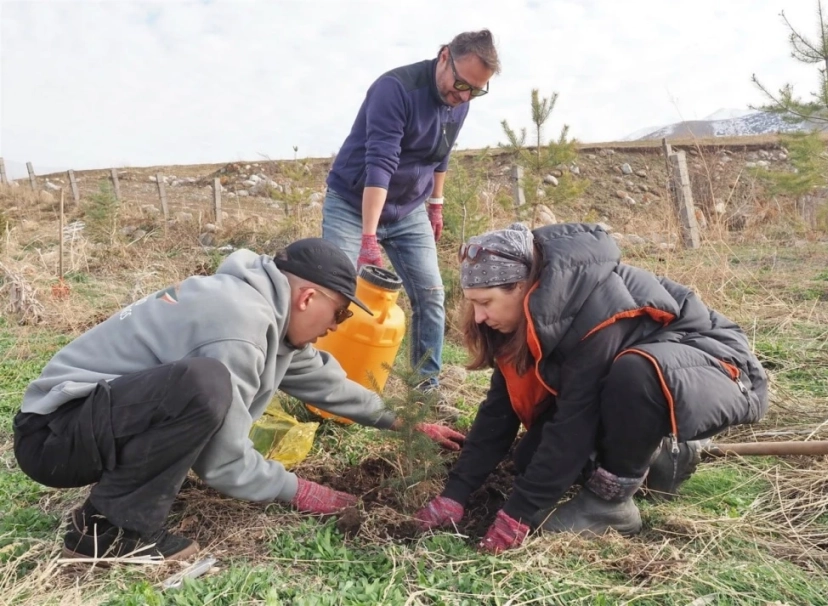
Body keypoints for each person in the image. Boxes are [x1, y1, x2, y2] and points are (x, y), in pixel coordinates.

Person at [13, 238, 464, 562]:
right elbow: (223, 463)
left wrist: (403, 422)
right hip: (54, 438)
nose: (336, 325)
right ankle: (108, 530)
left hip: (88, 420)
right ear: (308, 297)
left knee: (201, 385)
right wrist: (304, 491)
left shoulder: (264, 312)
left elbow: (326, 384)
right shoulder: (239, 325)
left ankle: (128, 498)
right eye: (340, 312)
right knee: (205, 384)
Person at [415, 223, 768, 554]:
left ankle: (611, 504)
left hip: (717, 367)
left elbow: (574, 422)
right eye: (472, 302)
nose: (477, 317)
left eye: (485, 302)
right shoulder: (533, 315)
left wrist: (517, 514)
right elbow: (500, 409)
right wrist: (456, 493)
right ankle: (661, 457)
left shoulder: (596, 310)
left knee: (636, 372)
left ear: (521, 287)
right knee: (528, 460)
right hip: (640, 378)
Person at [321, 29, 501, 412]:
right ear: (443, 57)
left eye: (476, 90)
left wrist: (436, 203)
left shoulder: (460, 101)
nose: (465, 96)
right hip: (354, 201)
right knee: (332, 290)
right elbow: (380, 164)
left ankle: (424, 390)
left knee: (432, 295)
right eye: (461, 84)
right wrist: (368, 238)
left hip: (408, 209)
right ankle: (323, 385)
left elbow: (442, 156)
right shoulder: (395, 89)